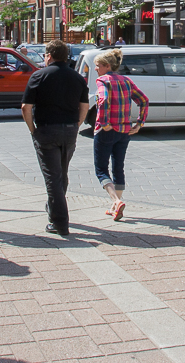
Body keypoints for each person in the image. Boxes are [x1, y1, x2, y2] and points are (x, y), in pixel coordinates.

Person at [21, 40, 89, 236]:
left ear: (49, 56)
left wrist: (32, 129)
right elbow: (84, 106)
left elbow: (26, 107)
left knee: (52, 177)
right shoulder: (77, 78)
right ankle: (54, 209)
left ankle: (59, 222)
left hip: (46, 129)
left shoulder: (38, 76)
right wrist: (77, 124)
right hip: (69, 130)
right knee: (61, 173)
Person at [93, 49, 149, 222]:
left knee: (101, 169)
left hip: (107, 131)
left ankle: (116, 202)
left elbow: (102, 100)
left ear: (107, 66)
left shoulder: (103, 80)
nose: (96, 69)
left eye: (98, 66)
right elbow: (144, 100)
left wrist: (104, 123)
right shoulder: (126, 80)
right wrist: (139, 123)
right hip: (124, 130)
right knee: (118, 167)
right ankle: (115, 207)